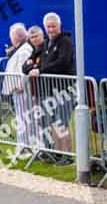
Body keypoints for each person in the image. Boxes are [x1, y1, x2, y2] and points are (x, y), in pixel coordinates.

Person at [31, 12, 75, 160]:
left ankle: (67, 155)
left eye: (53, 26)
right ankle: (54, 153)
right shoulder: (44, 44)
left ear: (59, 26)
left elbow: (62, 62)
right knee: (49, 123)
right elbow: (30, 61)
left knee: (61, 123)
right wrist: (31, 69)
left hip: (65, 89)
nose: (51, 29)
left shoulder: (66, 42)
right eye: (48, 27)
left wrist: (41, 70)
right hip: (49, 89)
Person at [2, 23, 34, 159]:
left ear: (16, 37)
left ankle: (25, 147)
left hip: (22, 90)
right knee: (21, 118)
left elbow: (24, 70)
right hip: (17, 89)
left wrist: (20, 85)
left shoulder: (25, 49)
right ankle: (22, 146)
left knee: (24, 118)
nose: (10, 39)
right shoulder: (20, 48)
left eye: (12, 36)